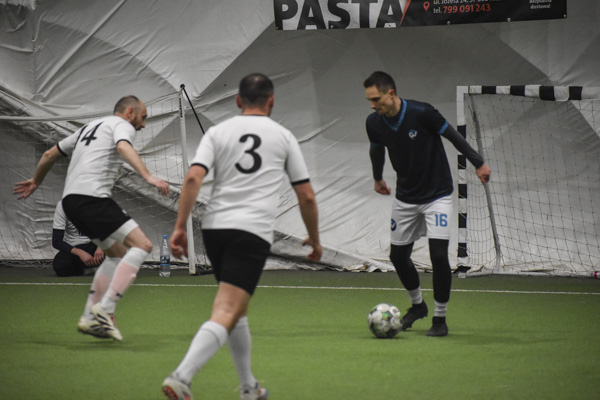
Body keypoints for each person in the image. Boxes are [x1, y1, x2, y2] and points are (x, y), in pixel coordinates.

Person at [161, 73, 321, 400]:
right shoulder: (284, 137)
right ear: (271, 101)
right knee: (226, 309)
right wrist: (314, 239)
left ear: (238, 100)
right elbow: (306, 195)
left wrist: (179, 226)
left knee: (238, 310)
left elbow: (192, 178)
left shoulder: (218, 132)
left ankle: (249, 387)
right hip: (250, 231)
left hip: (214, 230)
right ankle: (181, 377)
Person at [14, 95, 170, 341]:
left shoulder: (87, 128)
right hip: (93, 199)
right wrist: (148, 177)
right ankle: (105, 309)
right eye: (143, 117)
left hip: (71, 203)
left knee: (116, 254)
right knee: (143, 245)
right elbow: (123, 147)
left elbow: (49, 154)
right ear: (130, 112)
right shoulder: (122, 125)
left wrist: (36, 180)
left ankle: (89, 316)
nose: (143, 124)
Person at [363, 71, 490, 337]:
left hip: (437, 196)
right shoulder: (373, 123)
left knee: (438, 256)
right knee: (398, 257)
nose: (372, 105)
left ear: (391, 93)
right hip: (405, 198)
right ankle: (418, 306)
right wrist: (377, 178)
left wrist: (478, 162)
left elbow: (453, 136)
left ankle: (440, 319)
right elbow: (376, 149)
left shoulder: (422, 113)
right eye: (369, 100)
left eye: (376, 99)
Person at [52, 200, 105, 277]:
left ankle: (97, 267)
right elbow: (56, 241)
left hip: (98, 246)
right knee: (60, 265)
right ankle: (86, 269)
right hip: (75, 248)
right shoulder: (63, 205)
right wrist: (80, 253)